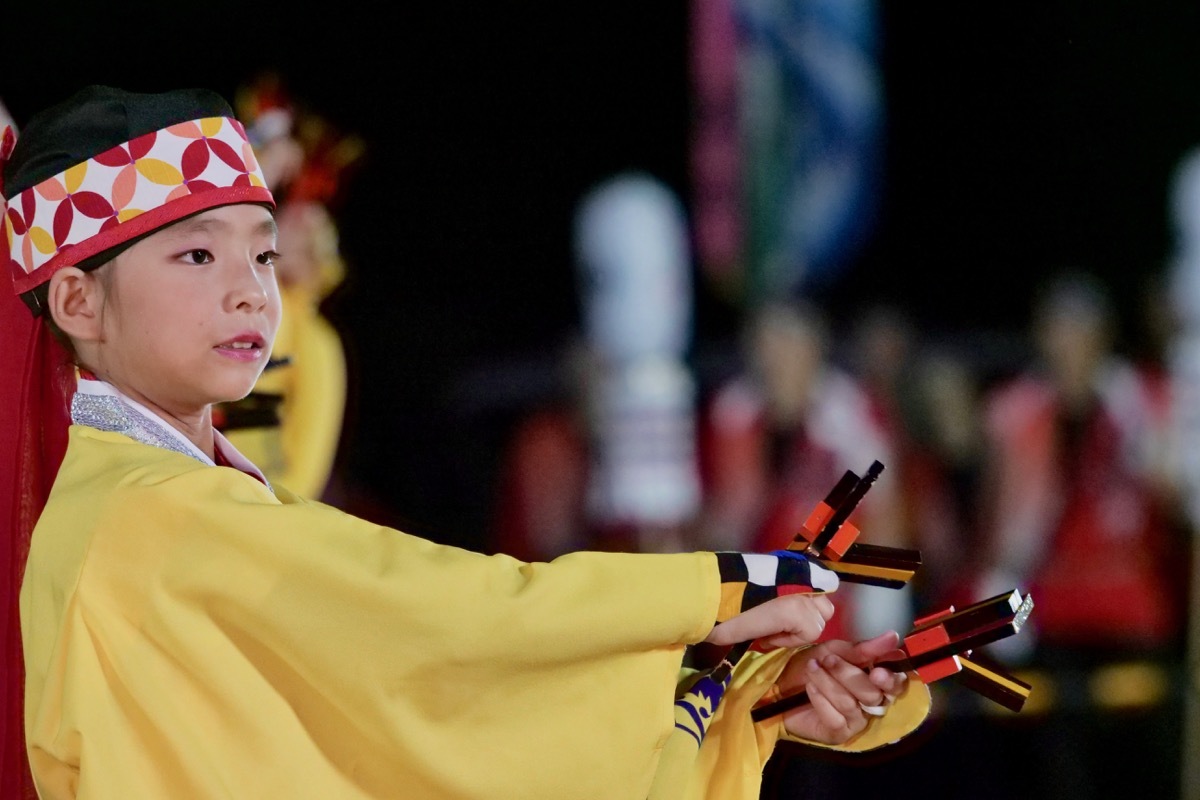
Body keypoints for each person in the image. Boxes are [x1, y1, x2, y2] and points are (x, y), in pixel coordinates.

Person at [0, 86, 931, 799]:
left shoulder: (164, 493)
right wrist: (722, 591)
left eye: (262, 251)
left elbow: (390, 695)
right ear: (78, 300)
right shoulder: (148, 517)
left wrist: (756, 691)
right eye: (198, 254)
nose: (253, 289)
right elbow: (448, 626)